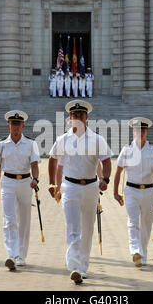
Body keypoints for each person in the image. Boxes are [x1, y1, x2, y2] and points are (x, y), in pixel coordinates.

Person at [48, 100, 113, 284]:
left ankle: (83, 266)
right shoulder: (63, 139)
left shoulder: (97, 139)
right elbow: (53, 160)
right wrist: (53, 183)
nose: (77, 118)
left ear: (87, 118)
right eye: (74, 116)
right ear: (70, 118)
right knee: (73, 227)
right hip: (70, 186)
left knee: (87, 227)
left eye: (81, 116)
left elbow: (107, 161)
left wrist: (105, 179)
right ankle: (74, 266)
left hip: (91, 187)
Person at [0, 110, 41, 271]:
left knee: (24, 221)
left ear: (23, 126)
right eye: (13, 124)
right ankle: (11, 254)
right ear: (8, 126)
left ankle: (21, 255)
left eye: (18, 124)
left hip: (26, 183)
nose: (15, 127)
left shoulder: (31, 143)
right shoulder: (1, 145)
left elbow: (34, 164)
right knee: (9, 219)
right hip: (8, 182)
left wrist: (35, 179)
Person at [114, 117, 153, 267]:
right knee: (133, 222)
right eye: (137, 130)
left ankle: (142, 255)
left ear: (146, 131)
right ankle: (135, 250)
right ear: (133, 131)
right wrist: (115, 192)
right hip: (131, 190)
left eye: (143, 130)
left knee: (147, 225)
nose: (140, 132)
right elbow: (118, 172)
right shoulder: (126, 150)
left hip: (149, 191)